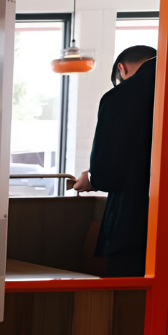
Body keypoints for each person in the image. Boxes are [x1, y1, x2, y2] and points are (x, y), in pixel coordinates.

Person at [68, 45, 157, 277]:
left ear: (122, 69)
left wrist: (91, 178)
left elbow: (108, 168)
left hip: (133, 220)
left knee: (129, 293)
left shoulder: (121, 96)